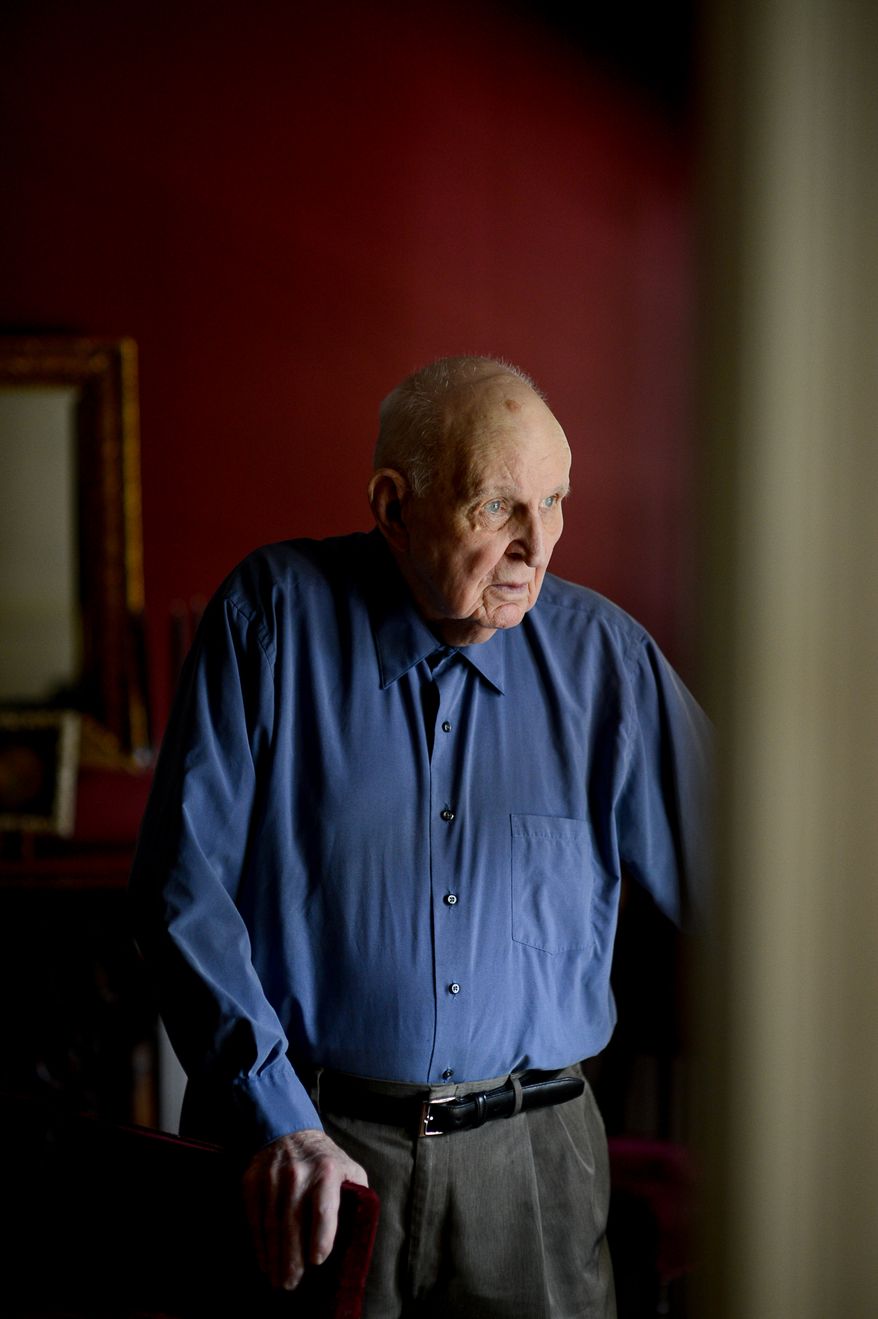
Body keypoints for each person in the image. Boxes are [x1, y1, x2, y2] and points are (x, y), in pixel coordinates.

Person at [130, 356, 710, 1318]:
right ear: (394, 507)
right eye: (498, 506)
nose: (536, 545)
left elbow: (765, 887)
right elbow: (179, 893)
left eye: (554, 501)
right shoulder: (270, 618)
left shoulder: (607, 661)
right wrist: (278, 1118)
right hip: (316, 1154)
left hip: (535, 1168)